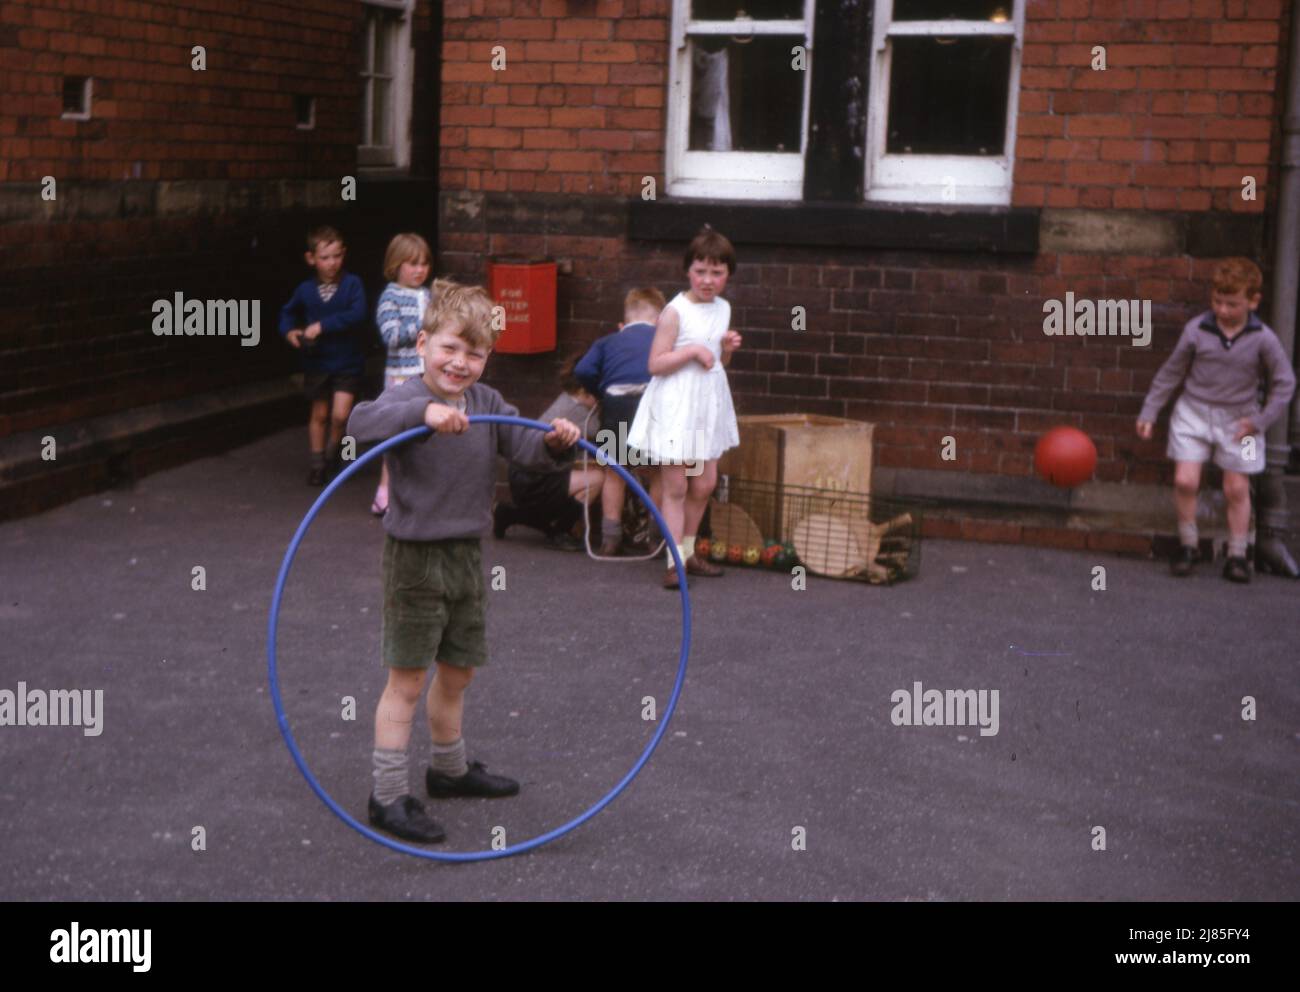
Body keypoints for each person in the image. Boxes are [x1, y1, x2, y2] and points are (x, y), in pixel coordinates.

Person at [346, 281, 582, 844]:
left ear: (487, 358)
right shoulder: (405, 398)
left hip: (467, 557)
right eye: (450, 348)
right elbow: (359, 425)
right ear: (424, 343)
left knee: (459, 669)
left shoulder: (488, 404)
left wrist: (555, 443)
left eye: (474, 354)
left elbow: (525, 452)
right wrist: (424, 413)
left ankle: (448, 771)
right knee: (407, 678)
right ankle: (387, 795)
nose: (460, 363)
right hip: (415, 558)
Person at [1136, 257, 1296, 583]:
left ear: (1253, 301)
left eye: (1232, 304)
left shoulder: (1263, 338)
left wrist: (1261, 421)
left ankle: (1238, 555)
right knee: (1185, 481)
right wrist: (1150, 411)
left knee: (1236, 487)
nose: (1222, 310)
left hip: (1242, 420)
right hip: (1193, 412)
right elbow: (1171, 372)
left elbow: (1285, 383)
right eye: (1217, 302)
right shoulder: (1197, 329)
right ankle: (1188, 545)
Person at [627, 226, 743, 590]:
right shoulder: (674, 312)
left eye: (717, 272)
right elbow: (655, 363)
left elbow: (716, 360)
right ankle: (673, 561)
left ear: (727, 274)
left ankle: (689, 552)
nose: (708, 280)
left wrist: (726, 348)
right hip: (677, 403)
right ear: (687, 271)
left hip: (707, 403)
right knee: (676, 486)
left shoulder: (723, 308)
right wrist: (692, 351)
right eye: (700, 271)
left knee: (705, 483)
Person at [574, 287, 665, 556]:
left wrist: (602, 391)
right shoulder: (665, 339)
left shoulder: (607, 341)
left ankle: (610, 538)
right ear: (659, 320)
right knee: (659, 471)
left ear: (622, 324)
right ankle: (656, 538)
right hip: (654, 404)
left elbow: (582, 370)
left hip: (617, 404)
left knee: (615, 471)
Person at [278, 225, 368, 485]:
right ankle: (318, 464)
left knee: (340, 415)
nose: (332, 263)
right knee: (319, 413)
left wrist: (322, 326)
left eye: (337, 256)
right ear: (311, 259)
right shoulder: (305, 290)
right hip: (317, 361)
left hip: (347, 361)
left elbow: (357, 314)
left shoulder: (352, 284)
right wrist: (290, 332)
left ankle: (333, 451)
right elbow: (287, 313)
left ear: (344, 254)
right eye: (325, 258)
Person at [494, 358, 605, 551]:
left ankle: (509, 514)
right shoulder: (578, 411)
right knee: (595, 478)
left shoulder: (570, 399)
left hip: (527, 474)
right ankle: (560, 531)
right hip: (533, 476)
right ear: (584, 390)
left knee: (580, 480)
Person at [371, 233, 434, 515]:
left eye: (424, 264)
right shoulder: (390, 296)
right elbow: (390, 335)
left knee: (424, 435)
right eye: (412, 264)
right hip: (401, 377)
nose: (420, 270)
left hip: (426, 375)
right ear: (396, 265)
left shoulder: (428, 295)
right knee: (397, 435)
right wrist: (424, 324)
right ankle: (384, 492)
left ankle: (417, 495)